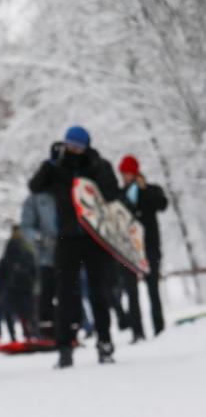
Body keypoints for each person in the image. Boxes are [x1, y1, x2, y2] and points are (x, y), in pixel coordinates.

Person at [28, 125, 120, 367]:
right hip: (66, 238)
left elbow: (113, 195)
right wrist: (49, 163)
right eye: (70, 146)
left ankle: (105, 342)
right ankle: (64, 347)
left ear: (86, 146)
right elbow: (35, 186)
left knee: (99, 292)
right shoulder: (58, 167)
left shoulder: (99, 165)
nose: (73, 151)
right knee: (65, 293)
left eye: (78, 147)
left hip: (95, 237)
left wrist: (96, 173)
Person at [116, 155, 169, 340]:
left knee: (153, 288)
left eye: (127, 172)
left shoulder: (151, 190)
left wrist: (144, 190)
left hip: (150, 246)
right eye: (122, 173)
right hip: (128, 249)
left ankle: (159, 328)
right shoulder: (119, 195)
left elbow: (162, 204)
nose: (124, 176)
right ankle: (137, 331)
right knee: (131, 291)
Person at [19, 183, 60, 339]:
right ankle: (46, 329)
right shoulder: (35, 199)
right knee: (45, 294)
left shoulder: (65, 190)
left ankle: (68, 326)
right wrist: (40, 238)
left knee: (66, 293)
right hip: (44, 258)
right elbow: (26, 227)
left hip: (66, 255)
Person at [0, 225, 38, 342]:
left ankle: (17, 336)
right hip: (22, 286)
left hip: (14, 286)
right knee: (27, 313)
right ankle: (29, 334)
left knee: (14, 313)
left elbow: (2, 269)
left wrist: (0, 286)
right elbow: (33, 268)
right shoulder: (26, 249)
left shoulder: (10, 248)